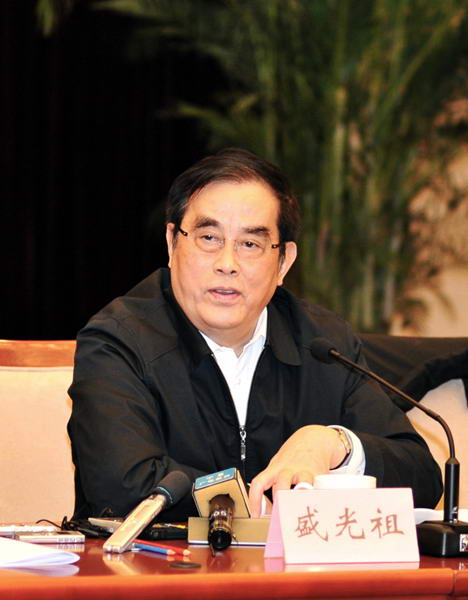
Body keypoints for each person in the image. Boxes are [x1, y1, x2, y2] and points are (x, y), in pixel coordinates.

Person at [68, 147, 442, 521]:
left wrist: (334, 444)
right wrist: (258, 503)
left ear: (283, 263)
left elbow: (422, 477)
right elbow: (121, 486)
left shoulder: (324, 344)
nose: (227, 264)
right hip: (161, 560)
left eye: (250, 244)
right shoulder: (118, 342)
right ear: (172, 243)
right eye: (209, 237)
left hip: (295, 561)